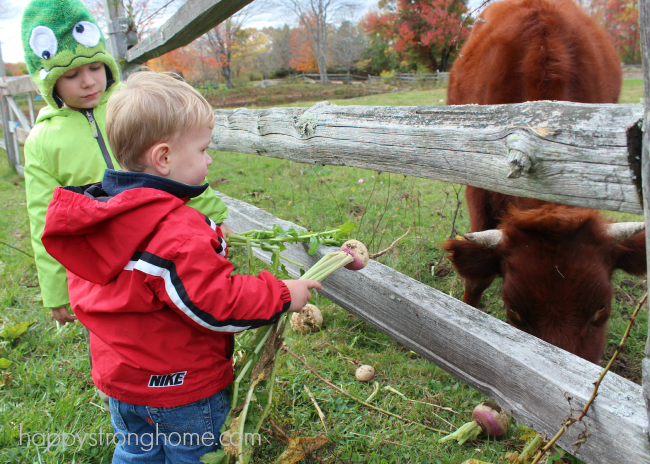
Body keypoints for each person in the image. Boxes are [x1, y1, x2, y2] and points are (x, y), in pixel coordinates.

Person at [41, 71, 322, 463]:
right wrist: (282, 294)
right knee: (193, 455)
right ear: (164, 157)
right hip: (179, 389)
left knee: (134, 451)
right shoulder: (175, 232)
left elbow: (147, 277)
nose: (209, 159)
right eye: (203, 149)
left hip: (122, 383)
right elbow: (216, 303)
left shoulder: (101, 219)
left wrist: (209, 237)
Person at [21, 0, 230, 329]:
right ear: (49, 82)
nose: (89, 82)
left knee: (171, 313)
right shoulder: (42, 141)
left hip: (162, 242)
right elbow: (44, 217)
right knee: (115, 323)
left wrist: (214, 217)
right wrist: (55, 289)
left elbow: (178, 171)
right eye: (72, 74)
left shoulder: (131, 107)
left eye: (94, 68)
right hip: (101, 257)